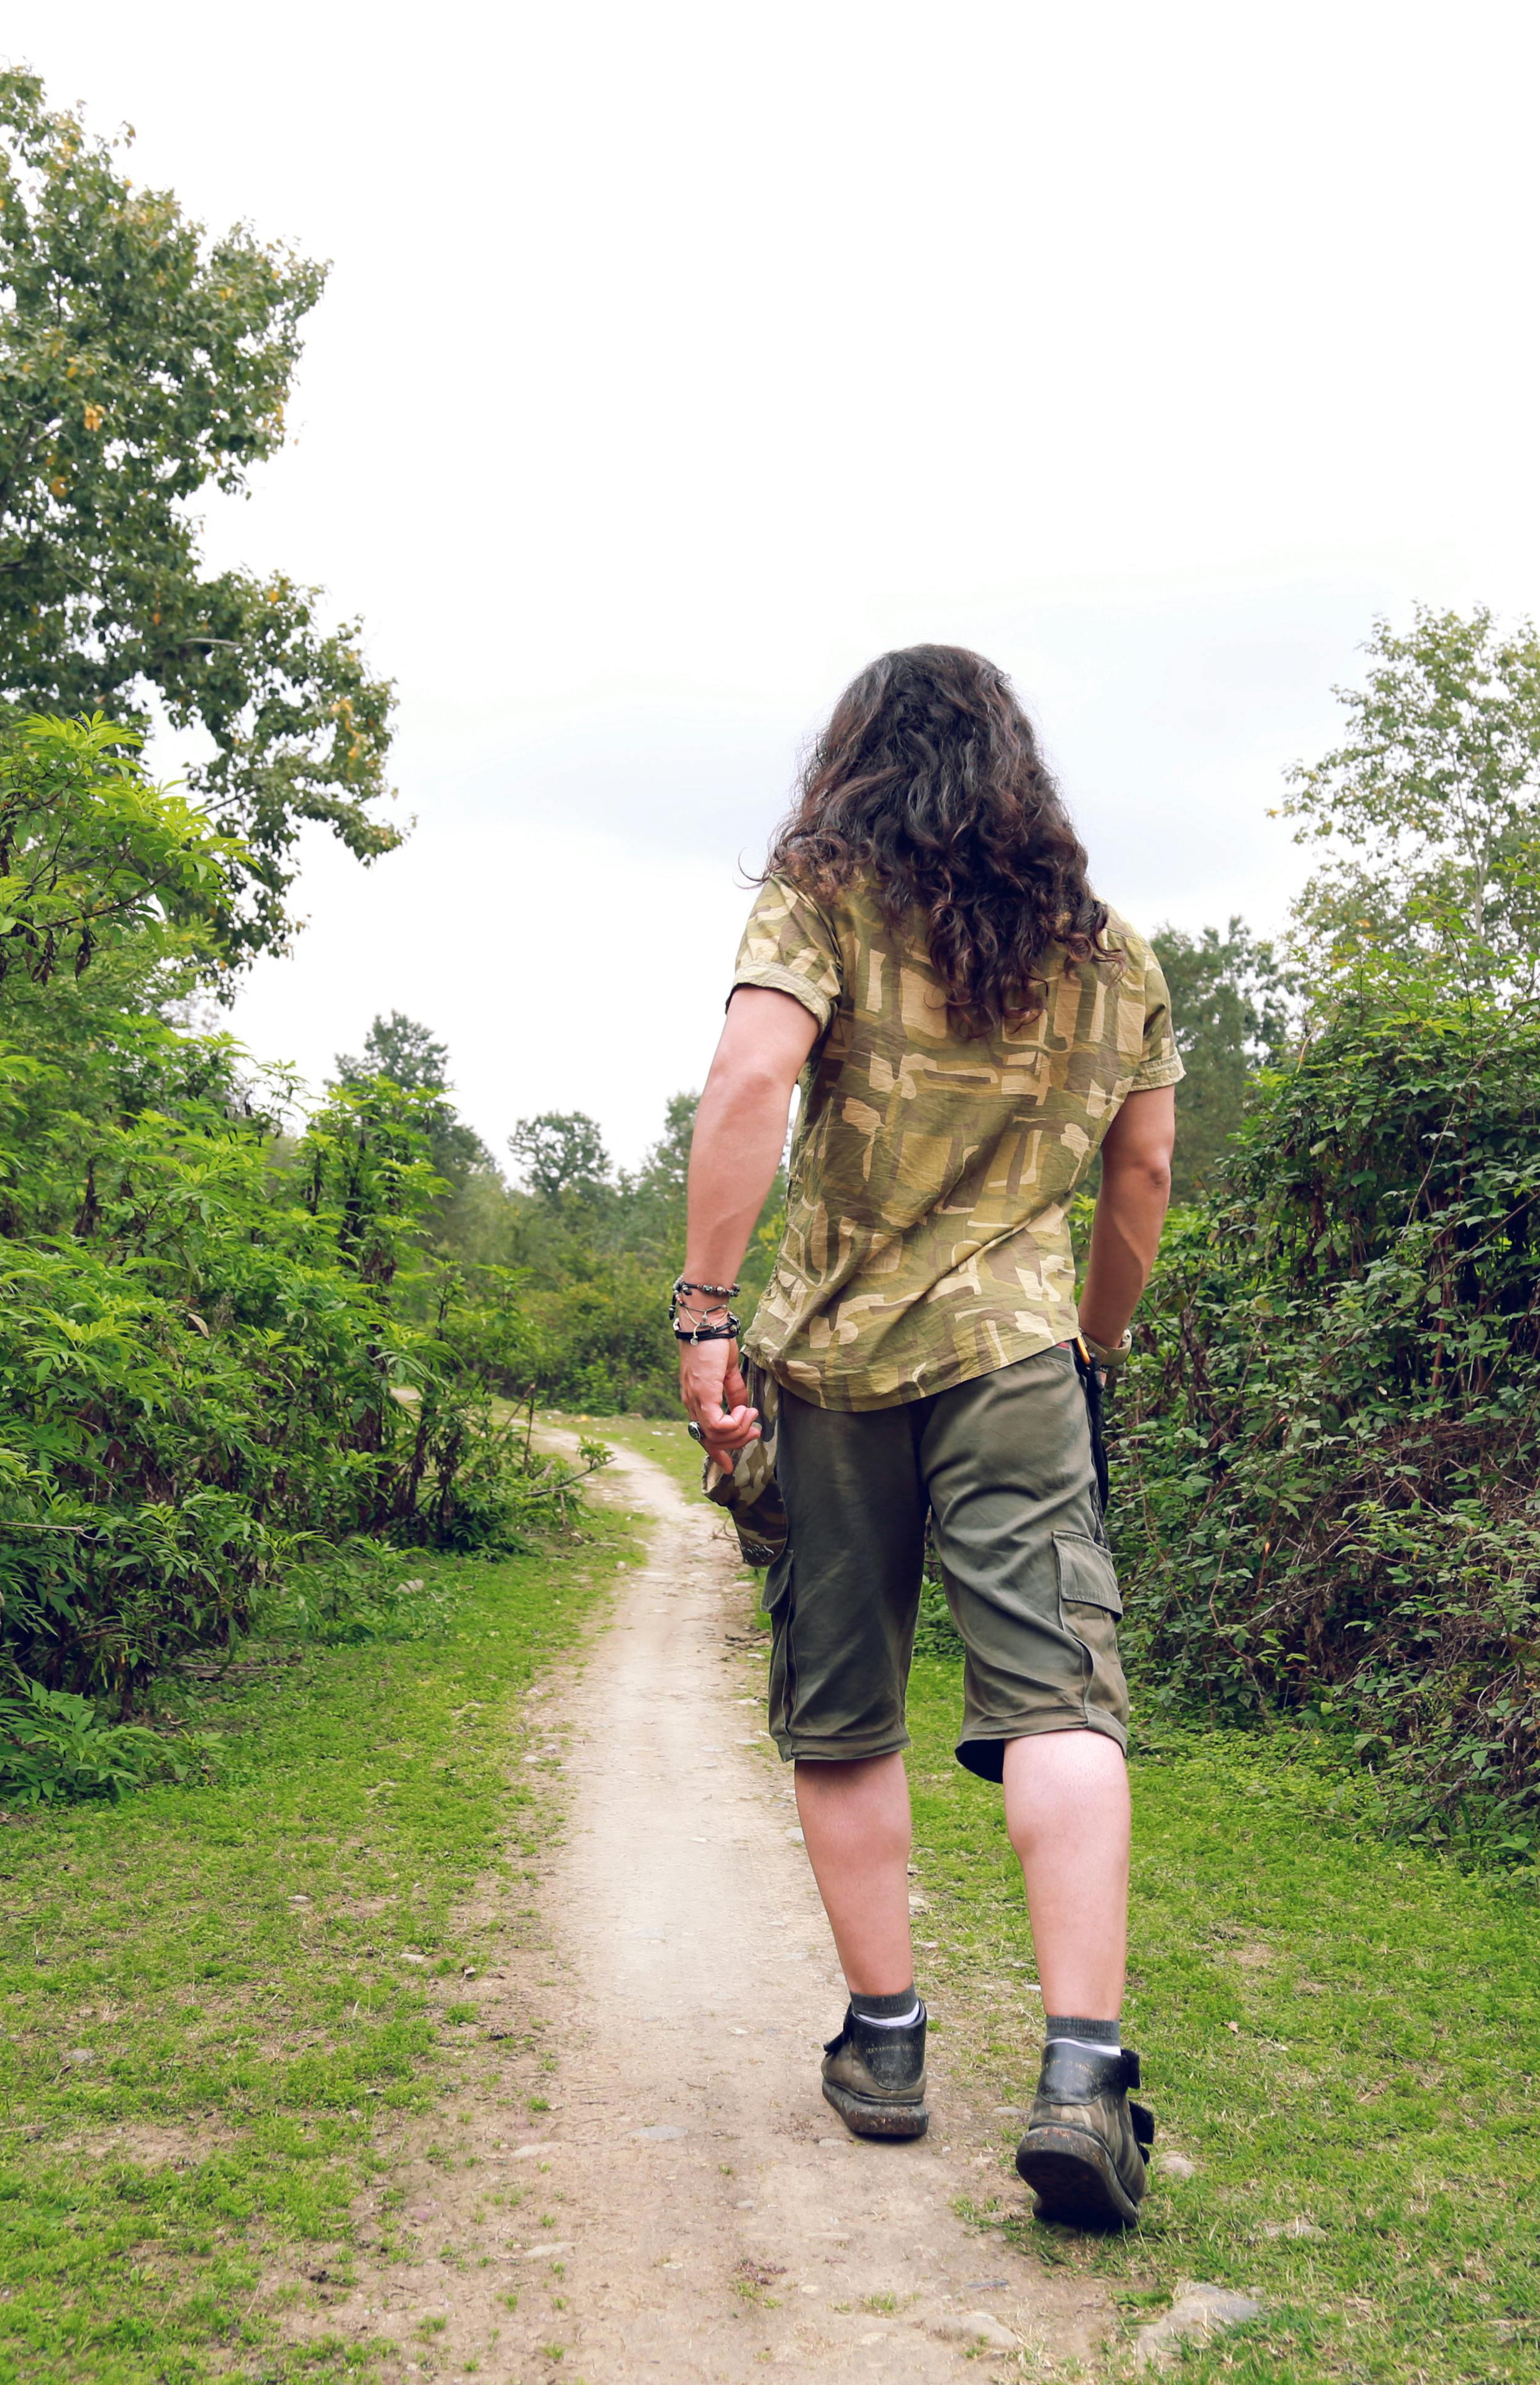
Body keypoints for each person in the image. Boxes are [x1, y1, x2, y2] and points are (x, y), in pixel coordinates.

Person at [674, 644, 1181, 2231]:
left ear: (862, 757)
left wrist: (705, 1310)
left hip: (831, 1365)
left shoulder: (823, 894)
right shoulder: (1113, 952)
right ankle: (1083, 2076)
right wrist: (1089, 1343)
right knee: (1059, 1698)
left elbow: (757, 1069)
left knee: (847, 1705)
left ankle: (886, 2050)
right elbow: (1144, 1177)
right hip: (1021, 1357)